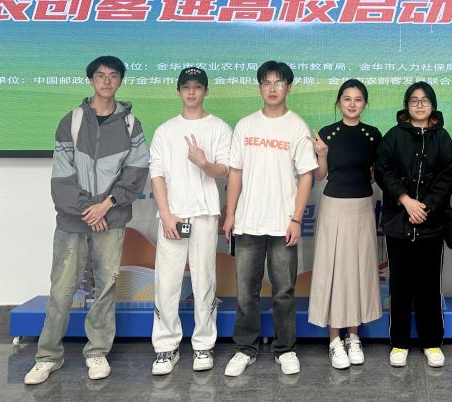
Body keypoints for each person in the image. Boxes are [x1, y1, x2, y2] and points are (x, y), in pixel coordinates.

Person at [24, 55, 150, 385]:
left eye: (113, 75)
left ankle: (97, 352)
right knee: (62, 290)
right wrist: (88, 211)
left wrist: (105, 205)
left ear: (120, 81)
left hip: (111, 217)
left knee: (105, 288)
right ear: (91, 80)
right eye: (100, 75)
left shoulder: (131, 124)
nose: (106, 81)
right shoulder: (72, 121)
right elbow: (61, 177)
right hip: (74, 221)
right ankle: (47, 356)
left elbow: (136, 172)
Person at [222, 61, 317, 377]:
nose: (272, 88)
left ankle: (285, 349)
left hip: (282, 224)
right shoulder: (246, 125)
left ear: (289, 87)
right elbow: (235, 171)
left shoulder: (297, 126)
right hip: (248, 222)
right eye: (267, 82)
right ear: (259, 87)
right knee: (245, 291)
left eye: (279, 83)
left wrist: (296, 219)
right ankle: (245, 348)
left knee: (283, 291)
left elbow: (307, 176)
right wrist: (230, 213)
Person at [148, 67, 232, 375]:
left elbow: (224, 170)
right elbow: (157, 174)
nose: (192, 92)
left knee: (204, 280)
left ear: (206, 91)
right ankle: (166, 347)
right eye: (186, 87)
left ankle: (203, 344)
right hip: (173, 216)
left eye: (198, 86)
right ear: (178, 91)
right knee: (167, 282)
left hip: (205, 215)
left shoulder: (219, 127)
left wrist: (203, 162)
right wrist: (166, 214)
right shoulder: (165, 131)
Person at [375, 82, 452, 368]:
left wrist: (426, 207)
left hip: (431, 224)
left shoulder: (442, 138)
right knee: (399, 287)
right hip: (399, 223)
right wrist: (405, 200)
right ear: (406, 105)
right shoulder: (393, 136)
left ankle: (432, 343)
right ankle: (399, 343)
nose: (419, 105)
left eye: (425, 100)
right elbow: (383, 170)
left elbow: (448, 175)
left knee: (428, 287)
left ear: (433, 105)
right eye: (414, 100)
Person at [308, 79, 383, 369]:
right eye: (347, 99)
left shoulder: (372, 134)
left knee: (358, 271)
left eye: (358, 99)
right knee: (334, 270)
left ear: (365, 103)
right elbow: (319, 175)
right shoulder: (327, 133)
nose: (352, 104)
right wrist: (321, 155)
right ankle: (334, 340)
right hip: (334, 207)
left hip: (362, 207)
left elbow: (376, 175)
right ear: (339, 102)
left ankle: (354, 336)